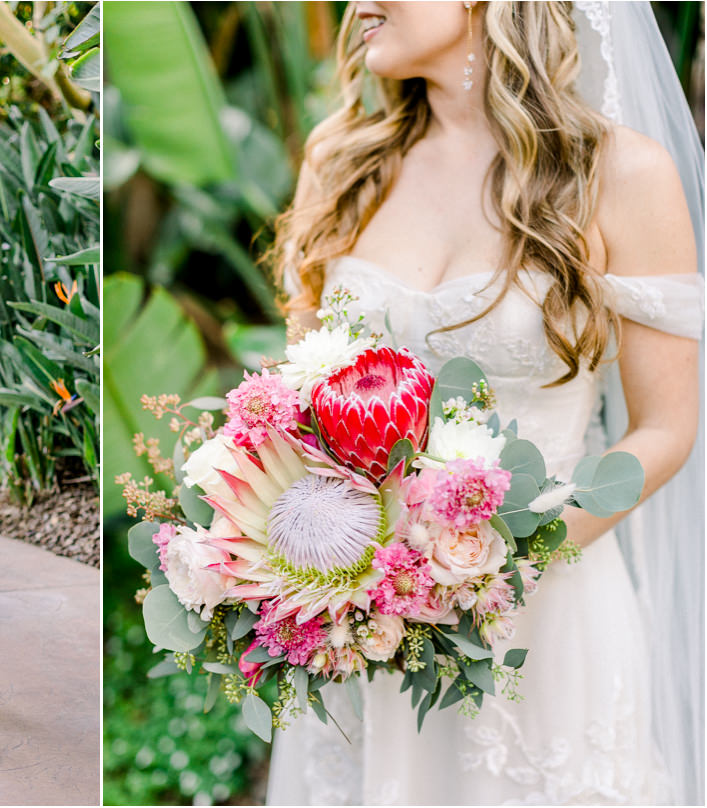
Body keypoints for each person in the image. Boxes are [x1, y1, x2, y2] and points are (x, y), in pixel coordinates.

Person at [265, 2, 703, 805]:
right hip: (363, 621)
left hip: (542, 620)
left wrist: (494, 567)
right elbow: (293, 401)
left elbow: (666, 428)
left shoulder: (621, 174)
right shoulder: (341, 162)